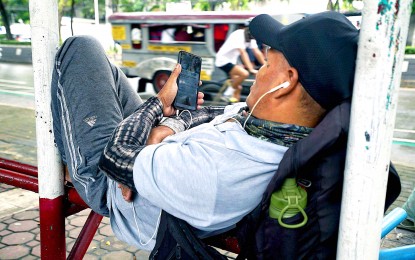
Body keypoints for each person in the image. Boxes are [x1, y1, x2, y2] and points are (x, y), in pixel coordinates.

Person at [51, 11, 359, 251]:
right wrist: (168, 127)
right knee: (109, 76)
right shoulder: (272, 131)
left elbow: (116, 158)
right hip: (151, 161)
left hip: (112, 186)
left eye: (267, 65)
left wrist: (158, 105)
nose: (258, 72)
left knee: (80, 49)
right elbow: (213, 113)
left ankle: (75, 166)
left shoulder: (218, 173)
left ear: (286, 82)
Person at [215, 19, 265, 102]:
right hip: (223, 61)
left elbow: (257, 52)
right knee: (244, 74)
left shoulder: (250, 37)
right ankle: (227, 93)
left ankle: (234, 107)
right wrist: (251, 69)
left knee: (238, 88)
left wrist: (266, 65)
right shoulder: (238, 34)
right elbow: (243, 53)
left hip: (232, 61)